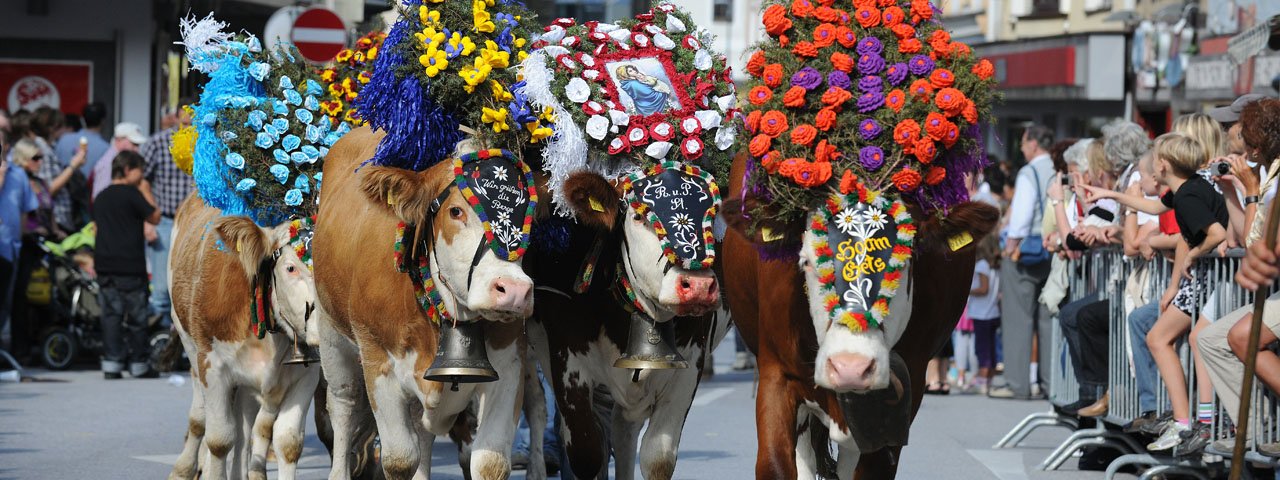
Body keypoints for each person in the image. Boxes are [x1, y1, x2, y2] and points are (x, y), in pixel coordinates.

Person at [1081, 132, 1229, 452]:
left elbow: (1216, 233)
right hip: (1201, 280)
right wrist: (1108, 193)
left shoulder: (1188, 196)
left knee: (1159, 338)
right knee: (1166, 338)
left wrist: (1191, 253)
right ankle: (1189, 420)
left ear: (1162, 165)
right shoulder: (1186, 189)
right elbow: (1150, 204)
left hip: (1207, 280)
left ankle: (1187, 421)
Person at [1195, 96, 1280, 455]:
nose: (1241, 145)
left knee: (1242, 336)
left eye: (1245, 136)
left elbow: (1260, 243)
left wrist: (1250, 192)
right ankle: (1257, 427)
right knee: (1211, 339)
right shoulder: (1267, 174)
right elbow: (1238, 237)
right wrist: (1234, 190)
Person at [990, 124, 1055, 400]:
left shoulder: (1030, 172)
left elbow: (1023, 215)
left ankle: (1018, 383)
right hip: (1051, 249)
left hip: (1026, 250)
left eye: (1024, 143)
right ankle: (1052, 382)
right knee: (1048, 318)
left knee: (1018, 318)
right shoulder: (1056, 169)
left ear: (1033, 144)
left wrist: (1010, 245)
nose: (1022, 148)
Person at [94, 150, 161, 379]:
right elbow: (155, 217)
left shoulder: (101, 196)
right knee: (136, 316)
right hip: (130, 265)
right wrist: (146, 191)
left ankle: (111, 363)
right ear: (127, 170)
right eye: (139, 171)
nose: (142, 176)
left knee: (111, 315)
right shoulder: (133, 194)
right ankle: (138, 363)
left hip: (104, 264)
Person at [6, 139, 62, 364]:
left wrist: (56, 230)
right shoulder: (17, 179)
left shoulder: (40, 181)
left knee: (47, 295)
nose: (40, 162)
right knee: (22, 297)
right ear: (23, 159)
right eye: (35, 158)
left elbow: (49, 211)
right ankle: (21, 348)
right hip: (28, 243)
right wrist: (31, 230)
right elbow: (21, 214)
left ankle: (41, 342)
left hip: (45, 244)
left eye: (41, 157)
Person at [140, 102, 194, 327]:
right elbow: (140, 179)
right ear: (175, 118)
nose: (187, 127)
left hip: (193, 223)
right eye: (184, 123)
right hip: (165, 219)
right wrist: (150, 216)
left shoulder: (207, 139)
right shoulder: (158, 142)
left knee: (190, 286)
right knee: (162, 289)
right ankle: (160, 340)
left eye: (192, 123)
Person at [0, 131, 38, 363]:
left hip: (10, 247)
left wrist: (20, 238)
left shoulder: (18, 175)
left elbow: (25, 210)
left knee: (6, 303)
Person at [91, 122, 146, 199]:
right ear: (118, 140)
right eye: (134, 144)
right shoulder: (108, 164)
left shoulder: (120, 160)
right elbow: (99, 198)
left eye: (138, 145)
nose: (137, 149)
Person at [54, 102, 108, 177]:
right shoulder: (105, 148)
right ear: (103, 121)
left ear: (83, 119)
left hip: (60, 186)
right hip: (88, 188)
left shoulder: (64, 139)